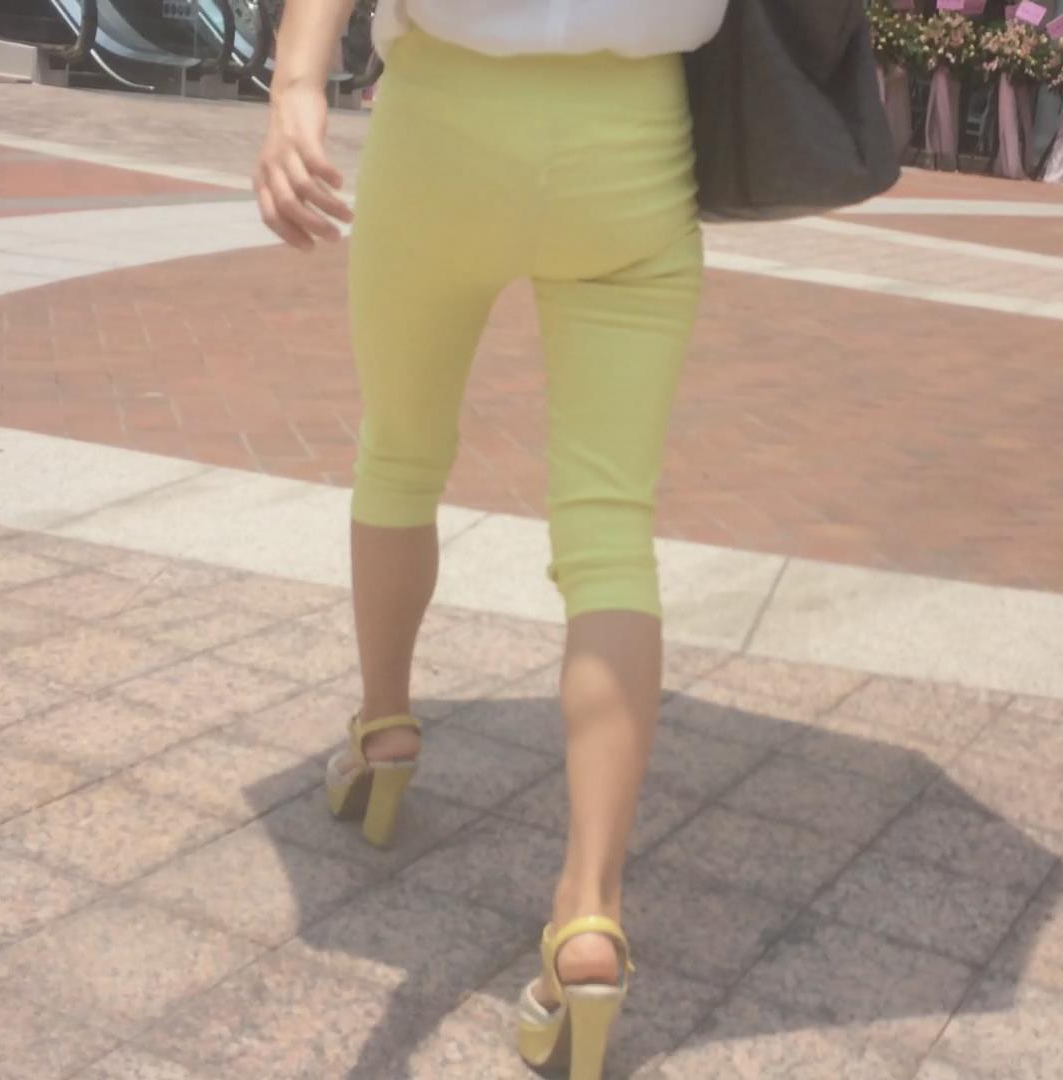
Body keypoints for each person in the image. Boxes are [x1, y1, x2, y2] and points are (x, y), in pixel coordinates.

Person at [252, 1, 727, 1076]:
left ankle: (384, 730)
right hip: (632, 142)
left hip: (445, 125)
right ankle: (589, 916)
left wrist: (298, 88)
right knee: (611, 531)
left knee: (400, 454)